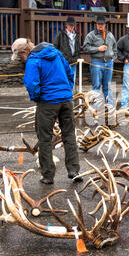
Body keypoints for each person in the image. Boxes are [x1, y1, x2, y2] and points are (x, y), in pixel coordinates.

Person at [11, 38, 81, 184]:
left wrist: (37, 98)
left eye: (20, 57)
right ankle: (74, 170)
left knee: (44, 138)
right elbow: (69, 73)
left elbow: (32, 84)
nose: (21, 60)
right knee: (69, 135)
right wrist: (67, 91)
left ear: (25, 51)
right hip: (66, 100)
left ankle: (48, 175)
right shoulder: (56, 53)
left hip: (47, 102)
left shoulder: (33, 60)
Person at [83, 15, 118, 106]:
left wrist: (113, 58)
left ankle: (109, 107)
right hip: (96, 62)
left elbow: (115, 48)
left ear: (105, 25)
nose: (100, 26)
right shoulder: (91, 35)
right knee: (96, 85)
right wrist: (97, 49)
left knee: (108, 86)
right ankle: (96, 107)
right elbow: (85, 48)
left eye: (102, 24)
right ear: (96, 25)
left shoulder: (110, 35)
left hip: (109, 62)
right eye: (98, 24)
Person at [53, 16, 81, 86]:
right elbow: (55, 47)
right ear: (66, 25)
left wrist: (77, 58)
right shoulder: (60, 34)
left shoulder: (76, 35)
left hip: (74, 61)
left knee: (72, 80)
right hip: (63, 61)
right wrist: (60, 58)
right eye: (70, 25)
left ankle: (70, 95)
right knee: (64, 80)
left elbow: (78, 48)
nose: (71, 26)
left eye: (72, 25)